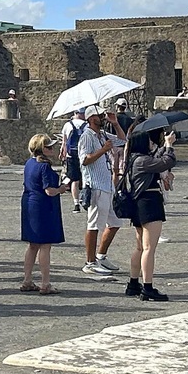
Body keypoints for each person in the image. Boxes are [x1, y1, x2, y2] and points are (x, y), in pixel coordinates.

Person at [124, 125, 178, 301]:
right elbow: (166, 162)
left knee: (140, 247)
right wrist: (169, 146)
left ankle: (133, 283)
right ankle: (147, 287)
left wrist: (164, 146)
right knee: (149, 248)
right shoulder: (142, 161)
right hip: (149, 202)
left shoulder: (134, 159)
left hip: (139, 203)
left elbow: (156, 157)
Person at [78, 106, 127, 274]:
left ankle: (101, 256)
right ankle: (90, 262)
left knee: (115, 222)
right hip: (96, 186)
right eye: (100, 115)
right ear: (92, 119)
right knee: (93, 225)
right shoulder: (87, 136)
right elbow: (84, 160)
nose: (103, 117)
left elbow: (122, 140)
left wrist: (116, 123)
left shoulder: (103, 135)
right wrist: (103, 150)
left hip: (107, 186)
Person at [20, 134, 67, 295]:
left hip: (29, 203)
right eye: (49, 147)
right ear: (42, 149)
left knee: (33, 244)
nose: (52, 148)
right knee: (45, 245)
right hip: (42, 205)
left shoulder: (29, 163)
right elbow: (49, 191)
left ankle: (27, 280)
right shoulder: (44, 166)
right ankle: (45, 283)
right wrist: (61, 188)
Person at [60, 110, 87, 213]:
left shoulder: (67, 125)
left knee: (74, 180)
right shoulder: (86, 125)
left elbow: (64, 142)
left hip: (71, 155)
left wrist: (62, 153)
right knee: (85, 178)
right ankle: (84, 198)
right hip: (83, 155)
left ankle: (76, 204)